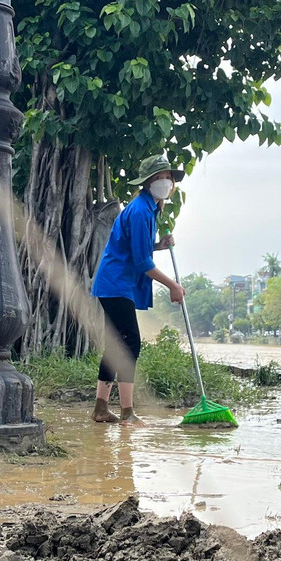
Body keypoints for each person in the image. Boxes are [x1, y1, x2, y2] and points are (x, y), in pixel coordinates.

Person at [89, 154, 186, 424]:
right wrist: (173, 285)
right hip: (116, 284)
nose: (164, 182)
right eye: (158, 178)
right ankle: (127, 412)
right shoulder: (141, 210)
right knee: (131, 343)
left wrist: (159, 245)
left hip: (116, 283)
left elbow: (138, 251)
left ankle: (100, 408)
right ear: (146, 183)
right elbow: (142, 263)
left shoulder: (148, 209)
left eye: (167, 177)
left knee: (116, 345)